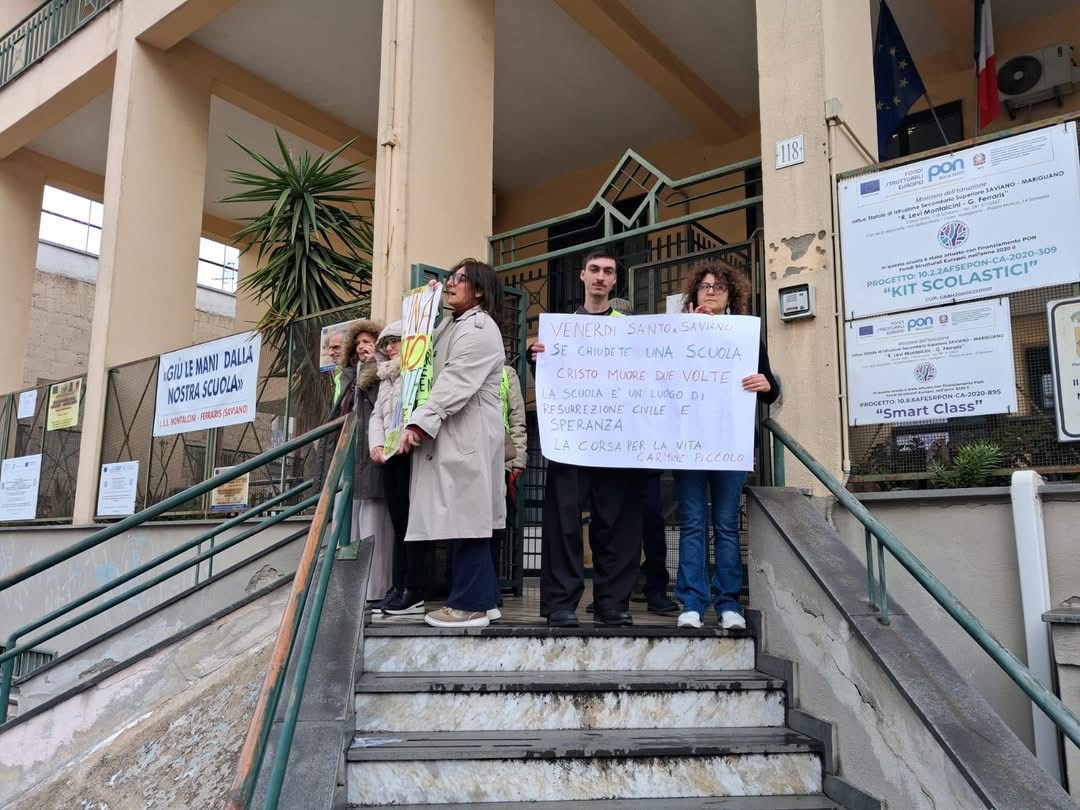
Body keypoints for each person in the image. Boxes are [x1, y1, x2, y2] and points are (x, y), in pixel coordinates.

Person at [529, 247, 643, 628]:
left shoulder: (630, 328)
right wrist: (536, 359)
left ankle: (612, 603)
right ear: (582, 276)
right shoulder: (562, 329)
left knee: (617, 523)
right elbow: (550, 383)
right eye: (594, 269)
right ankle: (561, 603)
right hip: (571, 441)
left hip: (617, 442)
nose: (600, 277)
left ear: (615, 280)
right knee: (563, 522)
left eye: (608, 271)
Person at [396, 259, 506, 629]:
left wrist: (421, 421)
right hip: (459, 433)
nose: (450, 283)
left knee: (469, 519)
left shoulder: (478, 327)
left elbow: (455, 380)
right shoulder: (453, 324)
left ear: (480, 290)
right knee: (464, 517)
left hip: (468, 434)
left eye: (459, 279)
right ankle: (485, 600)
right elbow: (424, 357)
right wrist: (426, 305)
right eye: (449, 278)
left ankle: (470, 605)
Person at [674, 262, 779, 630]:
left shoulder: (745, 336)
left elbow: (770, 388)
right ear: (694, 294)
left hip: (730, 444)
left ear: (731, 294)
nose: (711, 291)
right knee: (692, 523)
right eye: (704, 286)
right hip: (688, 443)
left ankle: (729, 604)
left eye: (719, 286)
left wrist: (766, 385)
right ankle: (691, 603)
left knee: (726, 524)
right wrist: (688, 332)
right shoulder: (677, 334)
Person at [608, 297, 677, 615]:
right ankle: (612, 592)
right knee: (611, 527)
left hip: (647, 459)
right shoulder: (596, 360)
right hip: (610, 459)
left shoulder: (652, 358)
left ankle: (655, 589)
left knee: (651, 525)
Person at [368, 321, 429, 615]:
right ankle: (399, 584)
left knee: (413, 523)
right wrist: (377, 445)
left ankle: (414, 587)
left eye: (395, 341)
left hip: (413, 452)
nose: (390, 347)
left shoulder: (417, 373)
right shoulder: (385, 378)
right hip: (390, 455)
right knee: (399, 523)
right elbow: (377, 416)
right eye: (385, 344)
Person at [350, 320, 394, 603]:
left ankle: (376, 590)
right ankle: (363, 589)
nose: (361, 347)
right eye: (357, 343)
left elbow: (383, 412)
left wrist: (369, 372)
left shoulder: (381, 373)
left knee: (376, 529)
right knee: (361, 529)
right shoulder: (356, 374)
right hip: (360, 463)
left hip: (377, 459)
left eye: (367, 342)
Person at [491, 362, 527, 608]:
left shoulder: (507, 374)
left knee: (496, 528)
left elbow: (517, 419)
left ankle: (492, 585)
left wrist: (518, 460)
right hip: (468, 458)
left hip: (501, 459)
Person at [313, 324, 364, 489]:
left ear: (349, 347)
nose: (331, 352)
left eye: (336, 347)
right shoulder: (340, 376)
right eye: (329, 348)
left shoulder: (357, 374)